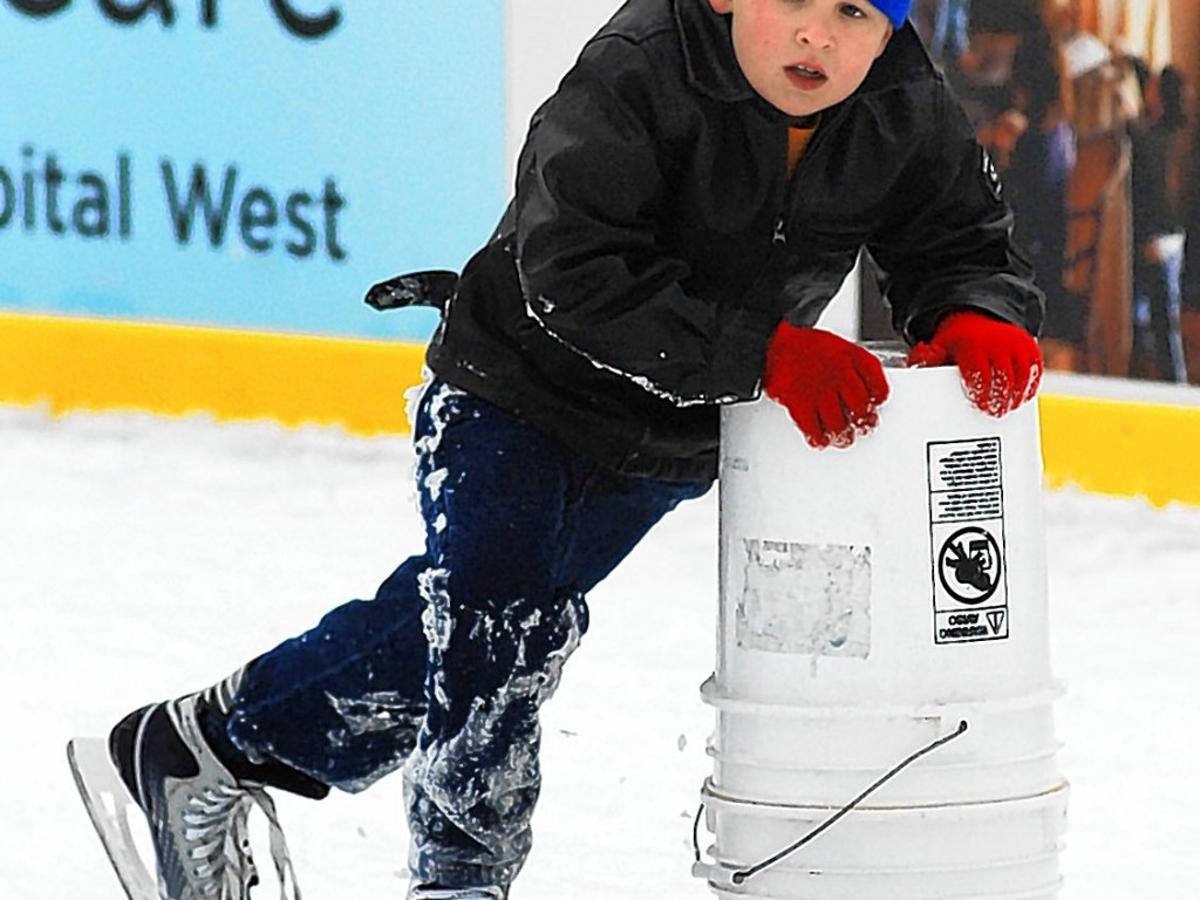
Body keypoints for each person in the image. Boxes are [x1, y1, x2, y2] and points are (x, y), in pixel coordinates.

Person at [69, 2, 1044, 899]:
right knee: (501, 636)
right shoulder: (637, 69)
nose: (818, 38)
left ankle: (194, 744)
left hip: (664, 436)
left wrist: (974, 309)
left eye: (856, 13)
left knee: (473, 630)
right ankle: (460, 880)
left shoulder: (902, 104)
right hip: (513, 397)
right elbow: (569, 265)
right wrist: (762, 354)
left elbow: (963, 239)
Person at [1130, 65, 1189, 382]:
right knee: (1164, 321)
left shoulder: (1149, 137)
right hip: (1174, 239)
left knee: (1160, 325)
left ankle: (1176, 390)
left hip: (1155, 239)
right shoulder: (1177, 135)